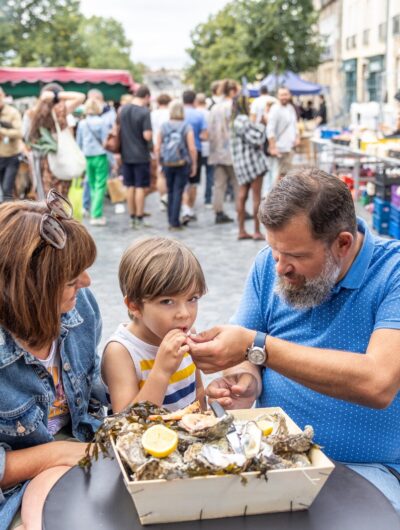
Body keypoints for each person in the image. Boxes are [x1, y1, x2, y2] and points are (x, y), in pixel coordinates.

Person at [188, 168, 400, 513]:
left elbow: (378, 383)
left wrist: (258, 347)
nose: (281, 268)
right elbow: (248, 350)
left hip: (366, 468)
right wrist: (247, 380)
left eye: (297, 257)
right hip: (274, 456)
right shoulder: (268, 265)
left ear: (343, 244)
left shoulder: (392, 273)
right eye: (274, 251)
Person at [0, 192, 104, 530]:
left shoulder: (81, 307)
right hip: (15, 488)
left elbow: (91, 384)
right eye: (72, 278)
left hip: (81, 453)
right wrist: (57, 454)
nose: (86, 283)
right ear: (32, 289)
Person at [102, 237, 207, 413]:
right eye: (167, 301)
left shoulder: (188, 336)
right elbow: (124, 425)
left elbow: (197, 392)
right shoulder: (121, 352)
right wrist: (161, 372)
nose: (185, 313)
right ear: (134, 306)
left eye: (192, 299)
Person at [25, 83, 85, 198]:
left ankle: (50, 216)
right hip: (62, 157)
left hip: (43, 161)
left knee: (48, 198)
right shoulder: (59, 111)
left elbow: (26, 137)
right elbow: (80, 97)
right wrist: (56, 95)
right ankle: (60, 216)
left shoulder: (32, 113)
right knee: (62, 197)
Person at [230, 95, 268, 241]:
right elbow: (256, 139)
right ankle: (257, 231)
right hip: (252, 162)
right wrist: (262, 125)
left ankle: (241, 230)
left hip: (240, 163)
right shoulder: (243, 120)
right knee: (256, 197)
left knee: (242, 195)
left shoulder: (233, 121)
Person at [155, 101, 197, 230]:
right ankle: (175, 222)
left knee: (170, 190)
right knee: (178, 191)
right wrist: (194, 164)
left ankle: (170, 220)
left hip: (167, 162)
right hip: (181, 163)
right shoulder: (186, 127)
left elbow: (157, 147)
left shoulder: (164, 126)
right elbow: (192, 148)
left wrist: (159, 163)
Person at [119, 85, 152, 229]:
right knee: (140, 187)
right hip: (140, 155)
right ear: (146, 96)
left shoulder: (123, 109)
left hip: (126, 154)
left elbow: (117, 130)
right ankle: (139, 217)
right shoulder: (144, 112)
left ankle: (131, 217)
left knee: (129, 186)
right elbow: (147, 135)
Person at [208, 79, 240, 224]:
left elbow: (210, 129)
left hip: (217, 151)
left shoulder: (215, 107)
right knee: (238, 183)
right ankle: (241, 210)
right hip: (232, 151)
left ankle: (218, 211)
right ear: (233, 91)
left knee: (219, 184)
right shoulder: (233, 106)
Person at [76, 98, 110, 226]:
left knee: (91, 183)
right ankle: (96, 215)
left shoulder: (82, 123)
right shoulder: (102, 122)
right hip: (100, 156)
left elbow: (79, 143)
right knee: (100, 185)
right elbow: (105, 142)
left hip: (87, 157)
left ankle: (92, 211)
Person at [181, 90, 208, 225]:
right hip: (195, 150)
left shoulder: (178, 114)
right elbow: (204, 135)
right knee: (193, 183)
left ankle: (185, 208)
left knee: (183, 182)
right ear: (194, 100)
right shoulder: (199, 114)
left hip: (179, 152)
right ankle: (190, 209)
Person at [267, 87, 299, 181]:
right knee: (280, 175)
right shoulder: (275, 109)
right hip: (280, 148)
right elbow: (270, 129)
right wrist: (273, 147)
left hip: (290, 146)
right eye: (281, 95)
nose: (284, 97)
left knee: (286, 174)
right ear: (278, 96)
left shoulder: (290, 108)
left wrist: (297, 137)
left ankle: (281, 194)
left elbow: (294, 125)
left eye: (285, 94)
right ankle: (277, 195)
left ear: (289, 95)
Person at [0, 88, 23, 202]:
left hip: (12, 156)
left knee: (6, 188)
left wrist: (3, 132)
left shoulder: (12, 112)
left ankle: (6, 216)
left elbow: (20, 132)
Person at [151, 93, 172, 211]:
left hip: (156, 145)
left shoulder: (153, 114)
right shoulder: (170, 113)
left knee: (160, 174)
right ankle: (169, 196)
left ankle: (163, 198)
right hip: (170, 146)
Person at [195, 92, 214, 208]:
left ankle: (192, 198)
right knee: (209, 174)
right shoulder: (209, 113)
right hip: (208, 147)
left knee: (194, 175)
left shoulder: (195, 114)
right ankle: (208, 199)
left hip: (197, 147)